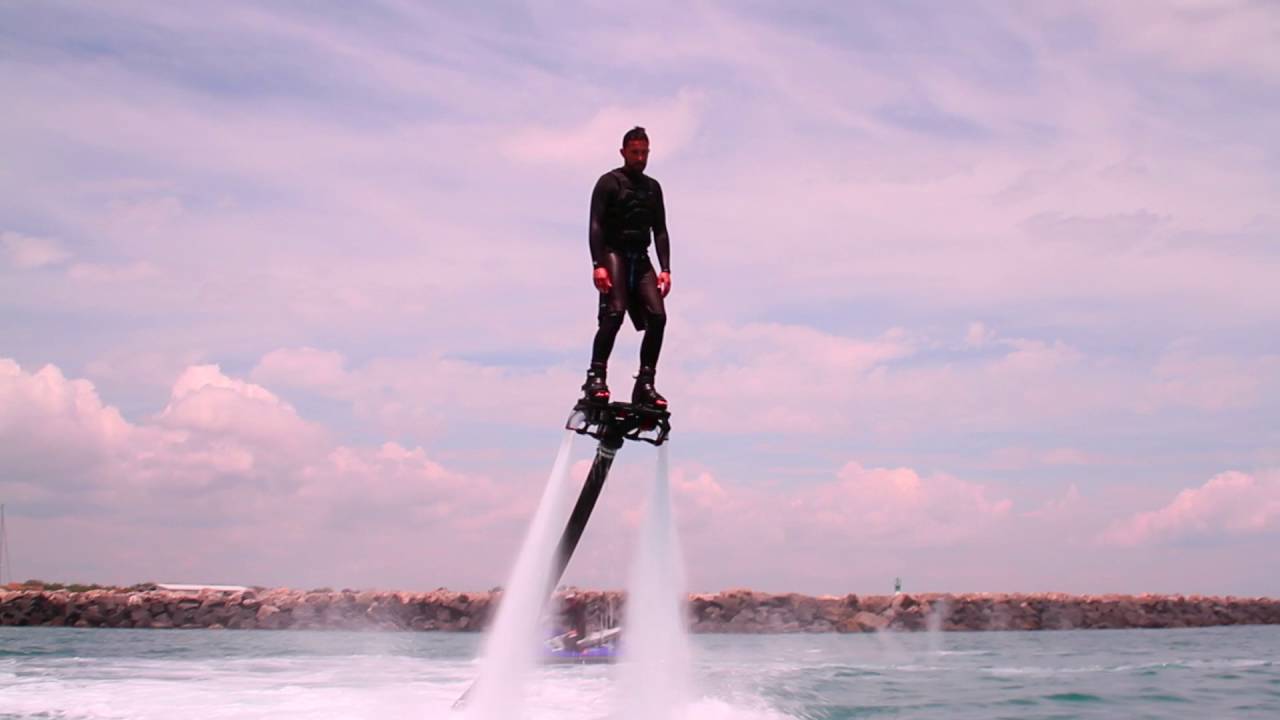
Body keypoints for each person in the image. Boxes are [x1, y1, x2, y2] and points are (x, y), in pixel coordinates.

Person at [581, 126, 672, 408]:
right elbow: (595, 225)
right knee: (615, 312)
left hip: (640, 255)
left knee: (658, 317)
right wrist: (598, 265)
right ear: (623, 153)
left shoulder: (653, 188)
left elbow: (660, 230)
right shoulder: (609, 183)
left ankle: (645, 383)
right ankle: (596, 377)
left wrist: (665, 268)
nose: (640, 157)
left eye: (644, 152)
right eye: (635, 152)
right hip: (613, 253)